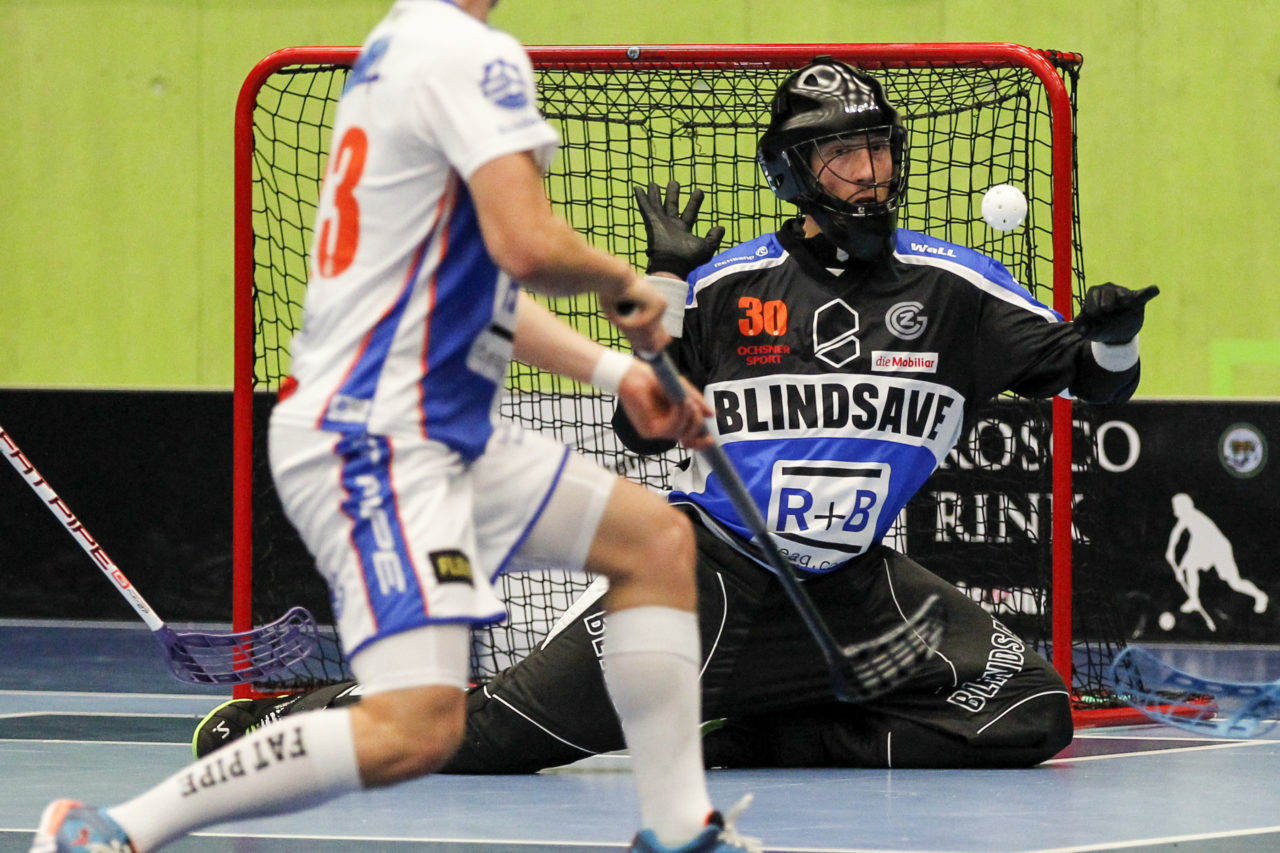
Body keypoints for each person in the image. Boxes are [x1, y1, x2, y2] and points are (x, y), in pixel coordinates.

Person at [192, 58, 1156, 773]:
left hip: (858, 594)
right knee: (488, 739)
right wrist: (670, 290)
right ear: (794, 173)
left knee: (1030, 711)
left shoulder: (957, 287)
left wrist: (1112, 338)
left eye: (878, 149)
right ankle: (302, 715)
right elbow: (639, 429)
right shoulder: (731, 287)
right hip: (708, 583)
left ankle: (757, 732)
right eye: (843, 155)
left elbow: (1094, 379)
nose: (869, 172)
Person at [30, 4, 764, 853]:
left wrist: (617, 372)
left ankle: (678, 831)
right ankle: (111, 829)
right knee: (416, 728)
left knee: (656, 543)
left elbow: (475, 291)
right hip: (373, 435)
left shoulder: (395, 54)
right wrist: (623, 283)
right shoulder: (467, 55)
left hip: (443, 432)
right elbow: (526, 245)